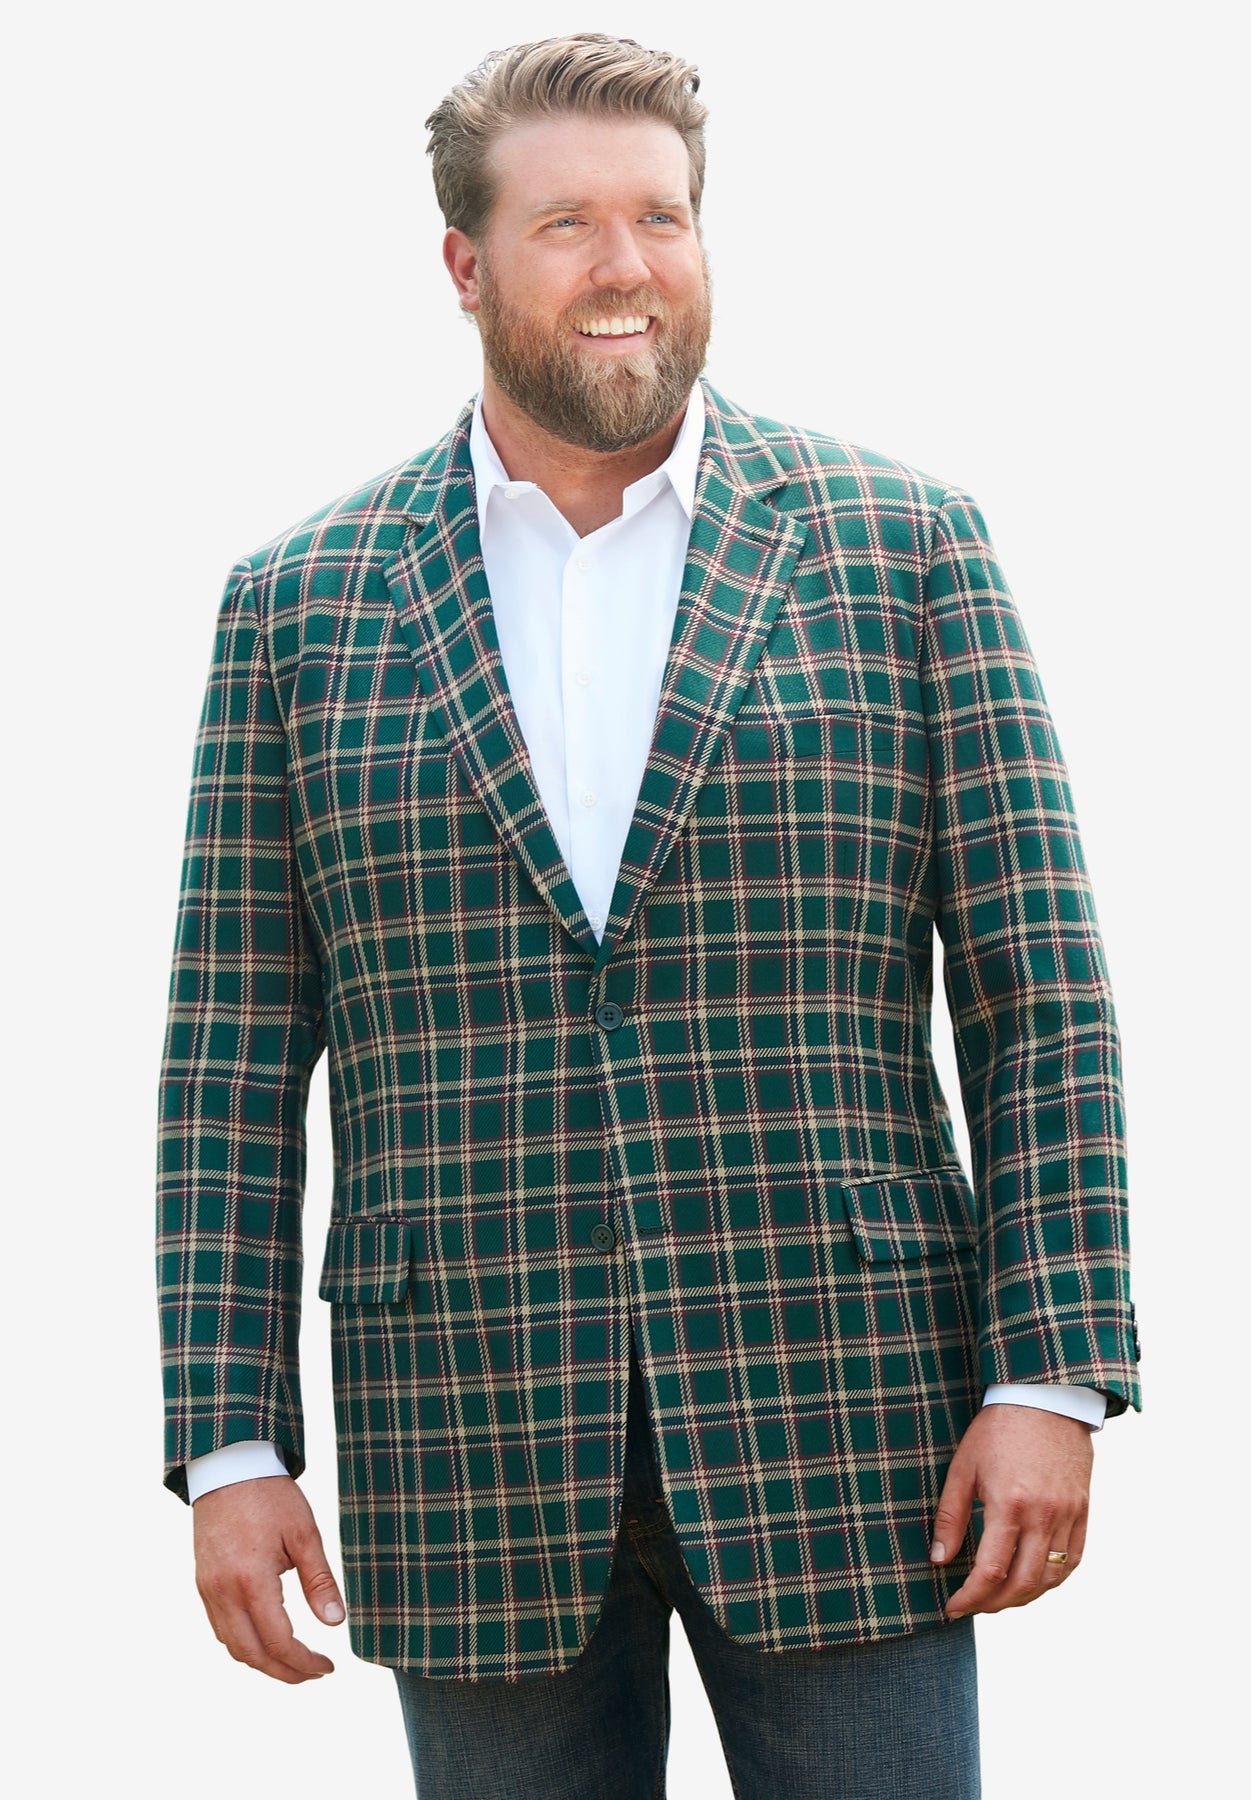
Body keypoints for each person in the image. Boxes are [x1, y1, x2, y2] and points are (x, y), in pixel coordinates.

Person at [157, 33, 1140, 1799]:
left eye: (662, 218)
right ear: (464, 265)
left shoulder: (906, 549)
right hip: (465, 1429)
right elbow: (230, 1062)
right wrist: (230, 1442)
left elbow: (1037, 995)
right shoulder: (295, 608)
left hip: (855, 1422)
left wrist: (1052, 1372)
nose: (627, 266)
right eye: (567, 225)